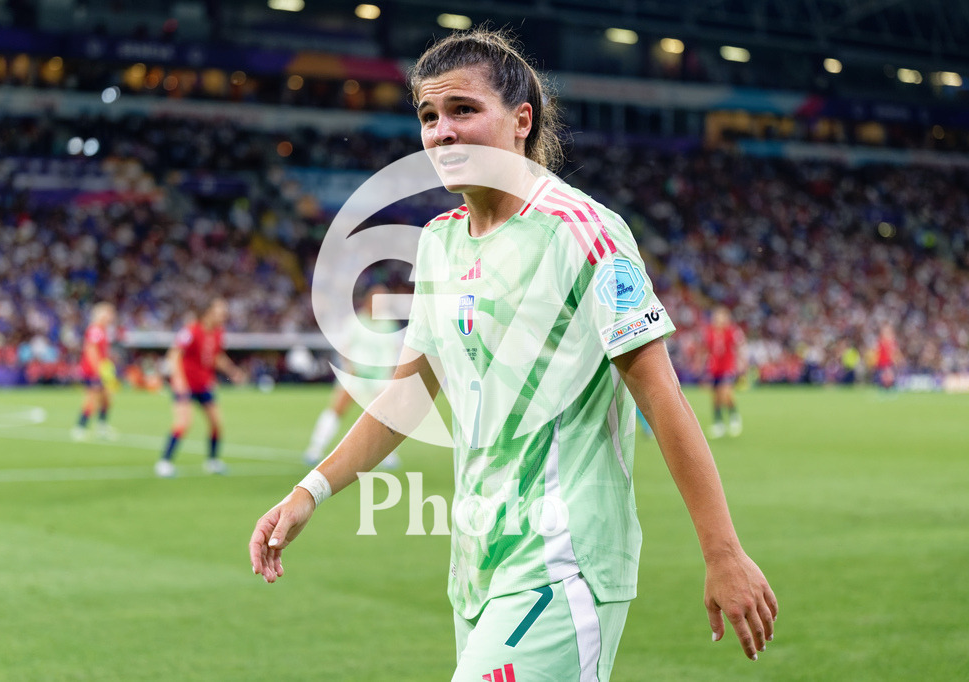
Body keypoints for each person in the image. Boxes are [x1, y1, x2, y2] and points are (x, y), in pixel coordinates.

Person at [249, 29, 777, 680]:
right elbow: (406, 398)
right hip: (477, 563)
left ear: (520, 120)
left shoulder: (583, 233)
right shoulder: (439, 244)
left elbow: (661, 397)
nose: (442, 132)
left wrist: (722, 551)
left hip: (565, 561)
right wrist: (309, 492)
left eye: (463, 111)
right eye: (429, 116)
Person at [303, 284, 401, 469]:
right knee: (336, 409)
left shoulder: (389, 323)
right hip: (356, 375)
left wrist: (391, 373)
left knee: (385, 414)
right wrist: (349, 366)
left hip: (379, 376)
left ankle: (387, 454)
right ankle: (315, 448)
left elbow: (395, 349)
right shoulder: (355, 322)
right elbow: (344, 347)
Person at [155, 298, 247, 478]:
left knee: (216, 422)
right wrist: (179, 381)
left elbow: (216, 356)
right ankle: (164, 462)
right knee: (183, 422)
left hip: (204, 384)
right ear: (208, 312)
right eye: (220, 311)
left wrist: (233, 371)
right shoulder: (191, 330)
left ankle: (212, 462)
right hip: (186, 385)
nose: (223, 315)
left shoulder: (218, 333)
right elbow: (174, 354)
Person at [71, 302, 118, 441]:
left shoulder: (103, 330)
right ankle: (80, 427)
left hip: (103, 369)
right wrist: (99, 370)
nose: (111, 317)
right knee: (92, 398)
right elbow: (91, 351)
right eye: (109, 313)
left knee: (107, 398)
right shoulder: (95, 330)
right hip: (94, 370)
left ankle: (101, 426)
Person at [703, 306, 745, 438]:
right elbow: (707, 351)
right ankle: (718, 424)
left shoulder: (731, 332)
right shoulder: (710, 332)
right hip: (714, 368)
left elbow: (738, 347)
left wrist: (741, 363)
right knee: (715, 397)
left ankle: (734, 417)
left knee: (726, 393)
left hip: (727, 366)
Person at [873, 323, 902, 390]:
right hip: (882, 364)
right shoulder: (881, 342)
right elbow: (878, 353)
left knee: (888, 378)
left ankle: (890, 387)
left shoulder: (892, 342)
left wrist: (897, 361)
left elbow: (895, 353)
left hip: (888, 364)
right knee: (884, 378)